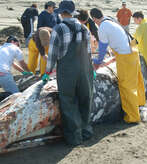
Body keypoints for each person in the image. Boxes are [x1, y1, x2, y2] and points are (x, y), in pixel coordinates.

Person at [43, 0, 94, 146]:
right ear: (73, 13)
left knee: (68, 101)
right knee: (85, 99)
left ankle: (74, 137)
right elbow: (89, 52)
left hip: (67, 72)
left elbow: (52, 55)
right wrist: (91, 70)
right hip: (85, 70)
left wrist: (47, 72)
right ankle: (86, 131)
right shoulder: (84, 28)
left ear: (62, 13)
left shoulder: (58, 29)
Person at [90, 8, 145, 123]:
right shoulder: (111, 21)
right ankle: (139, 103)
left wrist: (97, 61)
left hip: (126, 57)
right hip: (133, 51)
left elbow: (102, 48)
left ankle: (133, 117)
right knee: (135, 80)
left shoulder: (102, 28)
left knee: (126, 86)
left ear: (94, 19)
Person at [0, 36, 30, 104]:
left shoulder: (0, 48)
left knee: (2, 78)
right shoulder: (15, 48)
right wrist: (29, 72)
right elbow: (22, 64)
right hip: (1, 75)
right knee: (17, 95)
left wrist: (23, 72)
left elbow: (14, 64)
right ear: (12, 42)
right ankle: (0, 95)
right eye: (18, 44)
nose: (18, 46)